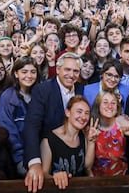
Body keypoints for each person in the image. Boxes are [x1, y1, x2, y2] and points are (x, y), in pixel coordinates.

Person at [23, 52, 84, 193]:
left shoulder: (81, 89)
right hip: (48, 157)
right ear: (57, 69)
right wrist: (34, 162)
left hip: (75, 156)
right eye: (67, 69)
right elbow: (31, 126)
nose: (71, 74)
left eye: (76, 71)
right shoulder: (42, 90)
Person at [85, 91, 129, 176]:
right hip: (98, 181)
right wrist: (91, 142)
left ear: (117, 108)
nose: (109, 106)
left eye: (113, 103)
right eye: (105, 102)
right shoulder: (91, 128)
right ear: (98, 106)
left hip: (122, 180)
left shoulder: (122, 122)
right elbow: (87, 167)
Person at [0, 56, 39, 177]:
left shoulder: (40, 93)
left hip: (40, 152)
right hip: (19, 155)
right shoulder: (8, 97)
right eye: (24, 72)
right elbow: (9, 130)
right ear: (16, 74)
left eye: (33, 72)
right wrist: (20, 158)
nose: (29, 76)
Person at [40, 96, 89, 190]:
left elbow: (88, 167)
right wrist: (55, 177)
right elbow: (44, 173)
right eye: (79, 111)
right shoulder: (49, 140)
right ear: (68, 112)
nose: (83, 117)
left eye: (87, 113)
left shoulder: (84, 137)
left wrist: (91, 141)